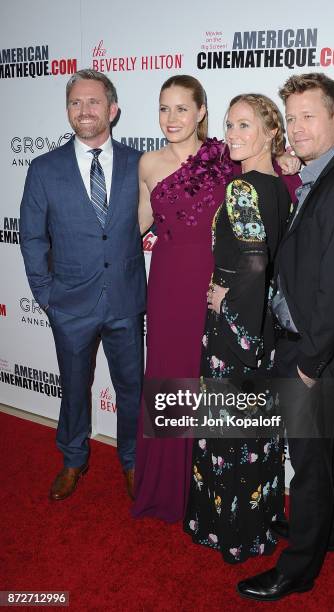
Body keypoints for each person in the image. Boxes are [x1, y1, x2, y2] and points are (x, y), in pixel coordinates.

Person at [237, 73, 334, 601]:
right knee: (328, 452)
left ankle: (298, 568)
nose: (296, 128)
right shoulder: (324, 176)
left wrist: (308, 363)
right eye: (291, 117)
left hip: (319, 353)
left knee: (311, 465)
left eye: (308, 116)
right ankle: (324, 531)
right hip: (321, 348)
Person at [133, 75, 300, 523]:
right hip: (168, 285)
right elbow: (134, 227)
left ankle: (203, 492)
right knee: (170, 380)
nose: (172, 118)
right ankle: (164, 488)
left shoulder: (228, 158)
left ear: (201, 111)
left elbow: (269, 193)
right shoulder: (147, 163)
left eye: (182, 108)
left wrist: (287, 160)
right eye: (163, 108)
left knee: (205, 383)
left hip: (212, 288)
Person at [20, 69, 145, 501]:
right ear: (68, 111)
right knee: (74, 389)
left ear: (113, 110)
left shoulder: (138, 163)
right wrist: (46, 296)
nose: (84, 110)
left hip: (126, 301)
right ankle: (73, 459)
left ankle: (132, 461)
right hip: (69, 305)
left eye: (93, 102)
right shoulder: (44, 168)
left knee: (132, 390)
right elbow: (32, 237)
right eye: (76, 102)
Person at [183, 93, 291, 563]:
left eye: (244, 125)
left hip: (237, 334)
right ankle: (256, 531)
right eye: (228, 125)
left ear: (270, 132)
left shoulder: (243, 189)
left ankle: (226, 534)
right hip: (264, 329)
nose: (231, 134)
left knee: (229, 436)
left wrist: (228, 312)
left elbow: (254, 263)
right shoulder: (279, 186)